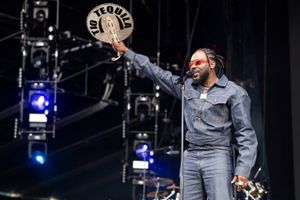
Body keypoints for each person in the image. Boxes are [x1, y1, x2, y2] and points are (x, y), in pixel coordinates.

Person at [112, 41, 258, 200]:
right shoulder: (186, 86)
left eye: (198, 63)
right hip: (191, 155)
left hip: (217, 154)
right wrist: (127, 52)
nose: (192, 67)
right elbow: (156, 73)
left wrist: (242, 170)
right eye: (190, 64)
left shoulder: (234, 92)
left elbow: (245, 133)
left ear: (212, 64)